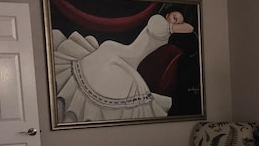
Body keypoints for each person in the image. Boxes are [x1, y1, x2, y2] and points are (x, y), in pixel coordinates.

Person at [52, 9, 194, 123]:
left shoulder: (168, 29)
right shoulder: (157, 21)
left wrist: (177, 25)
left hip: (130, 60)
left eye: (179, 21)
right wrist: (177, 25)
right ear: (167, 15)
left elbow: (189, 28)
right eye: (175, 17)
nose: (176, 22)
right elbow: (188, 28)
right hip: (123, 55)